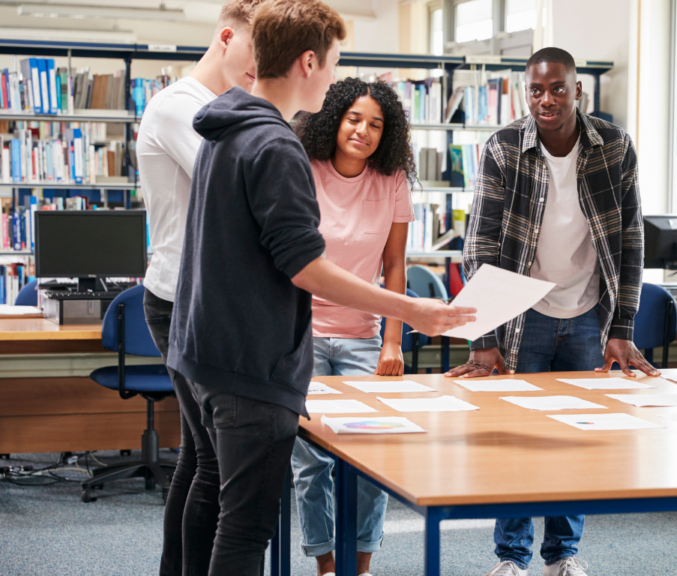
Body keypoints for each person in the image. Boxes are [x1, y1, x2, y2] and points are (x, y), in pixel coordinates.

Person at [166, 1, 474, 573]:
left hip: (201, 353)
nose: (334, 73)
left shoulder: (225, 127)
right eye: (333, 61)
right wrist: (410, 311)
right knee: (244, 529)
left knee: (212, 501)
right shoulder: (277, 147)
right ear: (309, 62)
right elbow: (305, 266)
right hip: (247, 365)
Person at [445, 46, 657, 576]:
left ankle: (562, 555)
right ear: (526, 91)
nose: (546, 99)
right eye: (536, 89)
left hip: (587, 312)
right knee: (516, 439)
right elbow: (480, 245)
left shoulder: (614, 148)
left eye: (558, 88)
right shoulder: (503, 148)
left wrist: (621, 325)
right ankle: (511, 558)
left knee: (572, 439)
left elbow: (630, 242)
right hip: (523, 313)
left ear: (577, 90)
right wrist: (483, 336)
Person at [136, 1, 265, 573]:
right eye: (257, 54)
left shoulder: (223, 106)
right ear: (225, 37)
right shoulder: (180, 107)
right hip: (179, 300)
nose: (261, 69)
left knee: (199, 455)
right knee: (214, 461)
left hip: (203, 298)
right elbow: (237, 187)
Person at [289, 77, 416, 576]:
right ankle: (325, 565)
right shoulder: (304, 168)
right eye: (354, 119)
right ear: (335, 119)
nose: (363, 130)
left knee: (372, 461)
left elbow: (395, 267)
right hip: (304, 334)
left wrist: (392, 340)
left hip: (364, 337)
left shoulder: (392, 180)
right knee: (311, 464)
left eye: (376, 124)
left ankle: (360, 566)